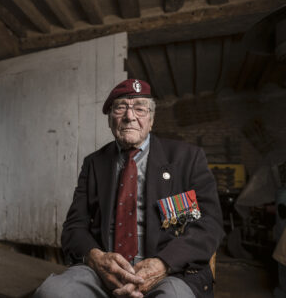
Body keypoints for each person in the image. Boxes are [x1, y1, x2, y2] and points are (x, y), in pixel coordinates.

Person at [34, 79, 224, 298]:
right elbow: (74, 226)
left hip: (170, 272)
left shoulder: (186, 158)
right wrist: (96, 258)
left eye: (140, 108)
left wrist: (163, 264)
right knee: (52, 293)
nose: (129, 116)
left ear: (151, 120)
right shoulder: (94, 163)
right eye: (121, 107)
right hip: (104, 273)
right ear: (110, 119)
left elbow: (208, 224)